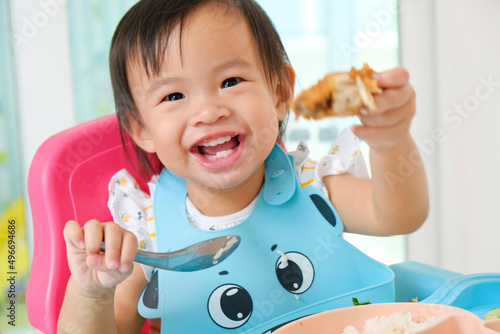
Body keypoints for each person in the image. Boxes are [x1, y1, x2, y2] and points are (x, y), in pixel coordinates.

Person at [58, 0, 429, 333]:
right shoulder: (147, 234)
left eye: (230, 81)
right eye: (174, 95)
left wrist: (389, 142)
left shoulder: (310, 185)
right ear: (141, 128)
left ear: (280, 93)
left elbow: (397, 215)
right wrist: (92, 295)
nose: (208, 111)